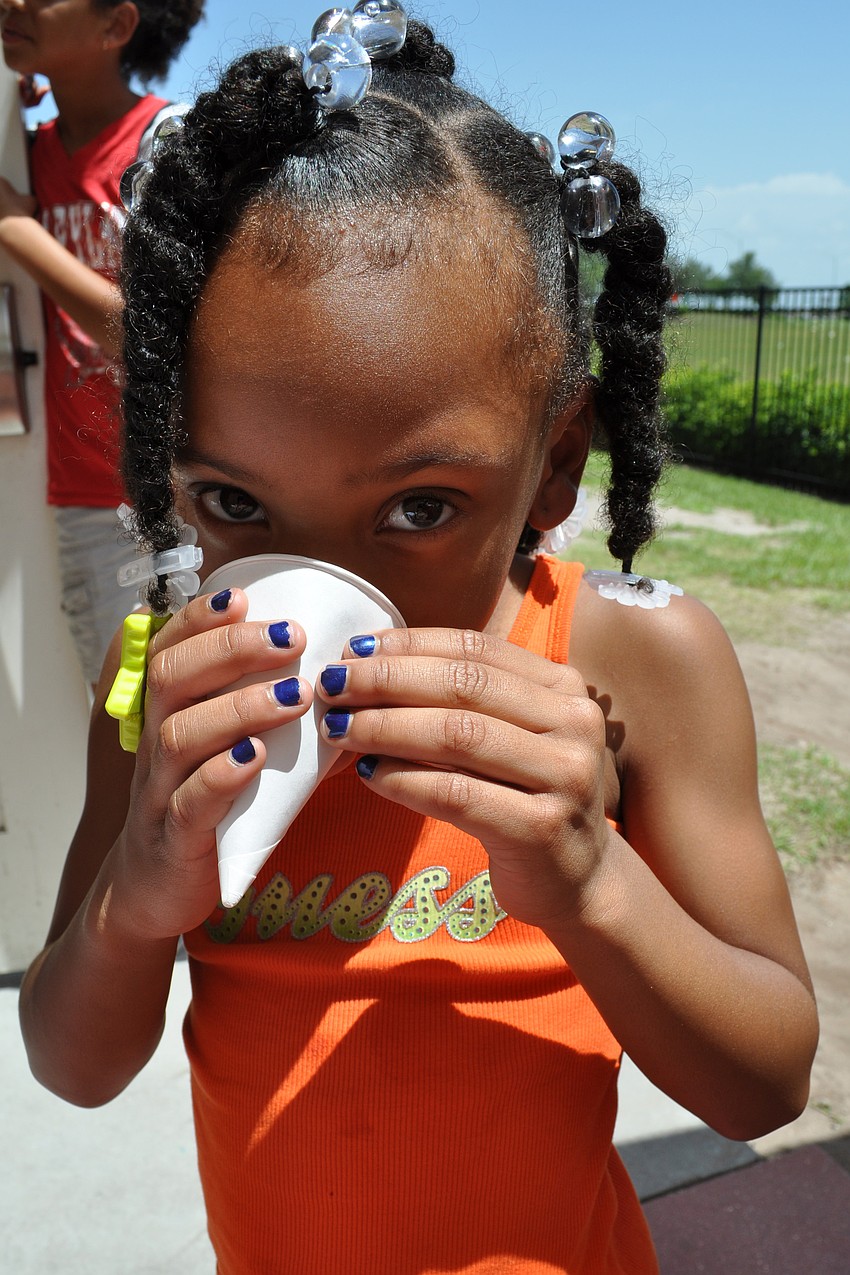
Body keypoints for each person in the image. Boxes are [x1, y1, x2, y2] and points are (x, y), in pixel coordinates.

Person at [18, 10, 818, 1274]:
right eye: (235, 503)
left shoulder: (632, 661)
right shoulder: (176, 677)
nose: (328, 578)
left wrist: (595, 884)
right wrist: (135, 902)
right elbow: (72, 1066)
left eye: (417, 508)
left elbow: (766, 1084)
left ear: (554, 464)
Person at [0, 0, 204, 686]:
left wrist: (18, 233)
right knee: (124, 734)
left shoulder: (170, 145)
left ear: (116, 25)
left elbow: (151, 336)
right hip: (84, 504)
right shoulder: (27, 154)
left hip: (183, 502)